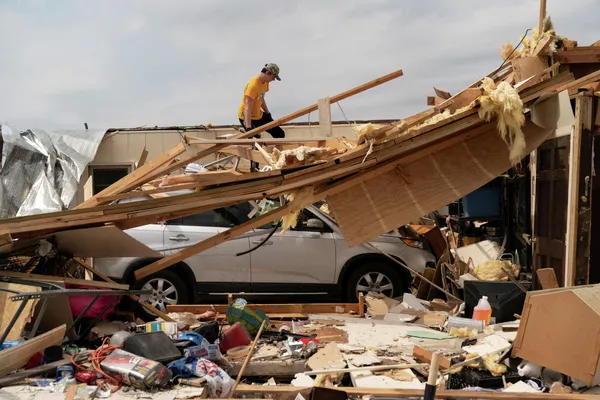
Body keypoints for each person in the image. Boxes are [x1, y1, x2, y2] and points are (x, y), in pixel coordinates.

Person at [237, 63, 285, 139]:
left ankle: (278, 150)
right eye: (273, 77)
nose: (273, 80)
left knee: (279, 133)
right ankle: (248, 130)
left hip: (258, 115)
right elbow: (247, 108)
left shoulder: (265, 83)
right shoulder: (252, 86)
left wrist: (267, 113)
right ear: (267, 73)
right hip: (247, 117)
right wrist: (249, 128)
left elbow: (261, 98)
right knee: (256, 140)